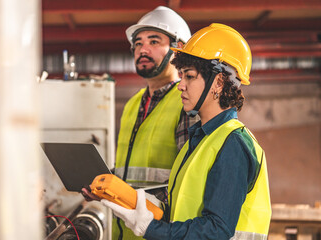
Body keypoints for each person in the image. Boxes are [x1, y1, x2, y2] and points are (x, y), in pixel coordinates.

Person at [101, 23, 272, 240]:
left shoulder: (233, 143)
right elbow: (182, 209)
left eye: (189, 76)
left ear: (218, 82)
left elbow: (216, 230)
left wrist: (150, 228)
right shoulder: (200, 140)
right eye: (181, 76)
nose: (181, 85)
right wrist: (135, 202)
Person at [82, 6, 199, 240]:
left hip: (159, 231)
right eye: (138, 43)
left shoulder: (187, 103)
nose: (142, 49)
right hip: (122, 232)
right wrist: (104, 185)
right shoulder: (133, 104)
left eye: (154, 42)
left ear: (179, 50)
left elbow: (190, 181)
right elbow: (133, 172)